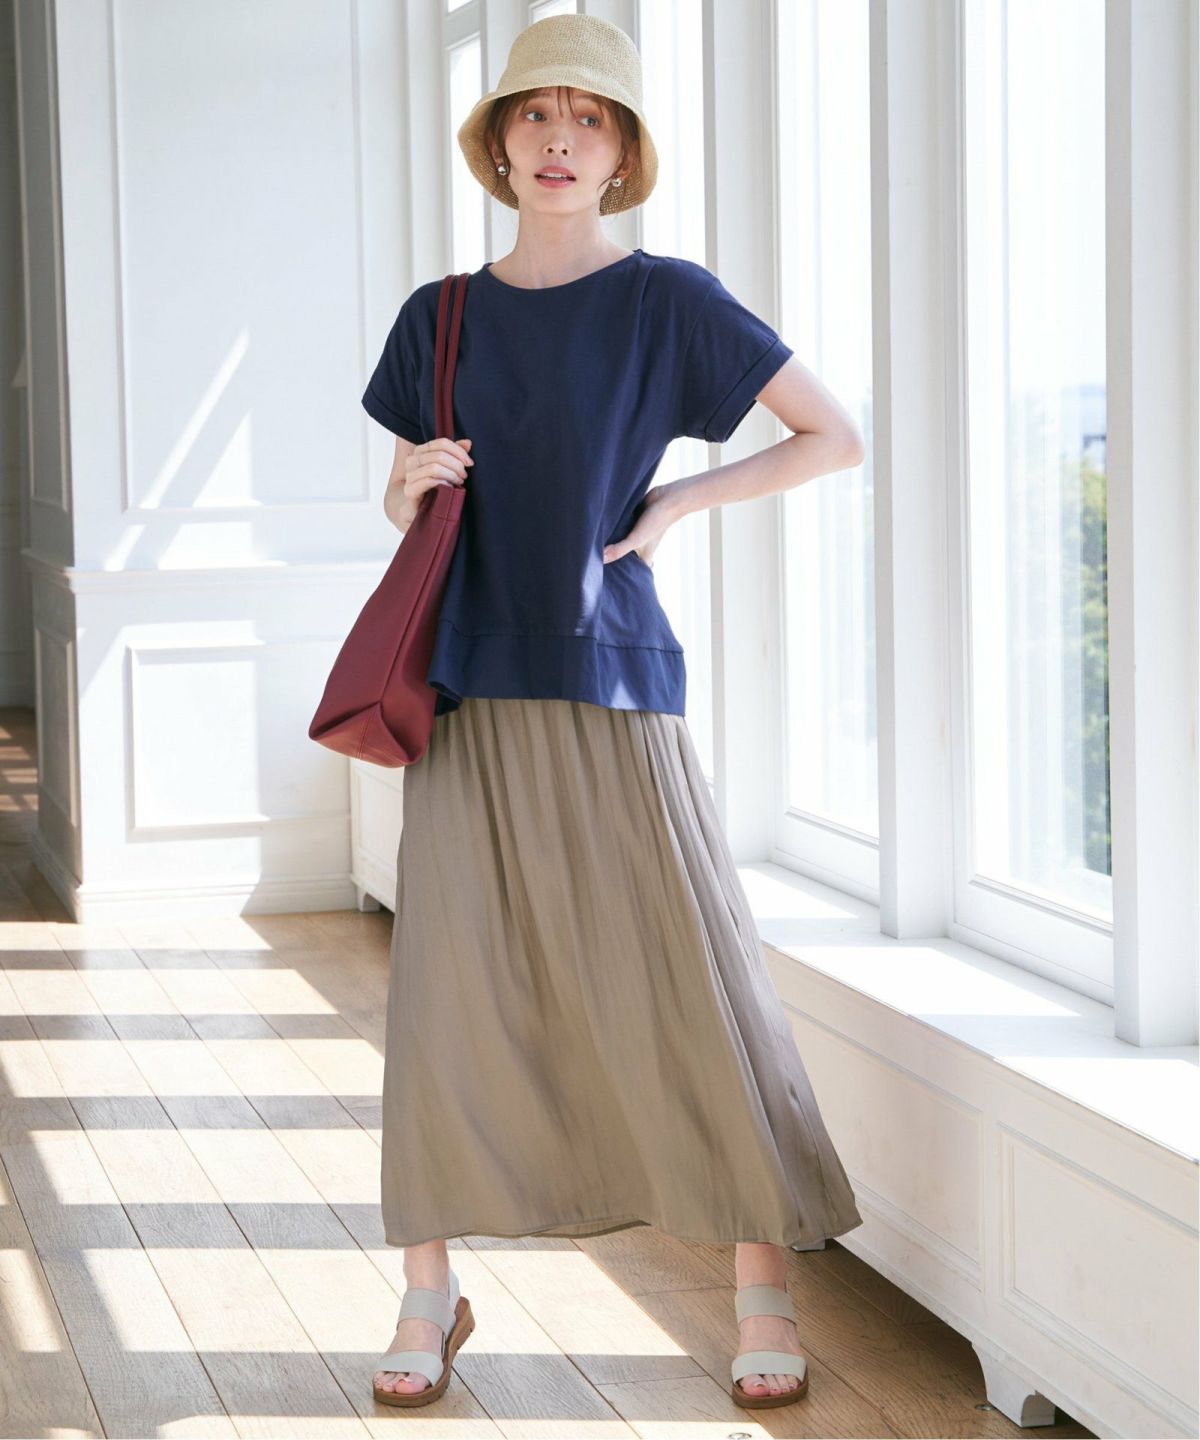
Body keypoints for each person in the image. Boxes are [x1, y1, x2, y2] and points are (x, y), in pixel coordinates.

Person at [363, 12, 866, 1414]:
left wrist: (684, 498)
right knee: (448, 990)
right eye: (536, 115)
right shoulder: (437, 317)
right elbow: (406, 506)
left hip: (611, 666)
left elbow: (833, 434)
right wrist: (405, 487)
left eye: (589, 119)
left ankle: (762, 1285)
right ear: (498, 144)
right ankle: (428, 1290)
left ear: (624, 152)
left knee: (686, 969)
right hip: (467, 685)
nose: (560, 140)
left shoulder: (668, 301)